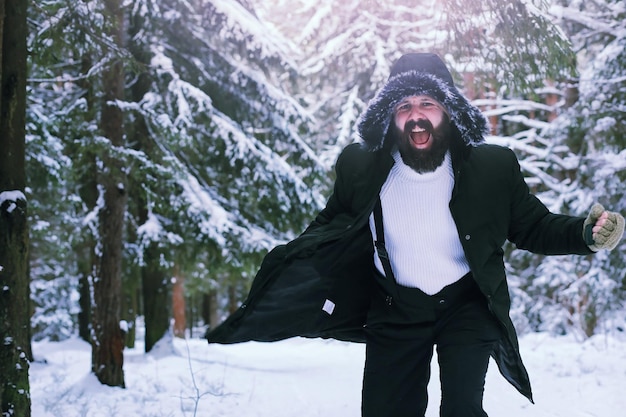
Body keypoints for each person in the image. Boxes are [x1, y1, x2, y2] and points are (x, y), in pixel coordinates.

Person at [206, 53, 625, 417]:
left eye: (428, 102)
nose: (416, 114)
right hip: (395, 308)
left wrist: (586, 233)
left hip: (467, 303)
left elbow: (533, 226)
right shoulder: (361, 166)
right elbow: (330, 225)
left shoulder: (492, 168)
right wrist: (296, 269)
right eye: (403, 105)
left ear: (449, 110)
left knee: (462, 409)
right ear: (390, 114)